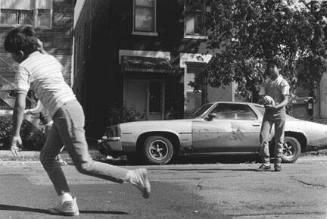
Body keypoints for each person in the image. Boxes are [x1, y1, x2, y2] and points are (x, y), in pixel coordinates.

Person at [5, 26, 150, 216]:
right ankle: (67, 203)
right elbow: (48, 77)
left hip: (65, 112)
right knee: (47, 157)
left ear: (21, 53)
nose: (12, 59)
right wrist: (40, 48)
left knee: (84, 164)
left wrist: (16, 134)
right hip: (67, 111)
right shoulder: (49, 59)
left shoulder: (24, 67)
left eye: (12, 55)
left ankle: (133, 176)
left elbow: (19, 105)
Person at [258, 61, 290, 172]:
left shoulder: (283, 83)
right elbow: (262, 97)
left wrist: (277, 107)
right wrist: (264, 102)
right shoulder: (265, 82)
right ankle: (266, 163)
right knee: (263, 136)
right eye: (269, 67)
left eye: (273, 67)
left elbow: (286, 100)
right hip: (268, 113)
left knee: (279, 138)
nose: (271, 69)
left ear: (278, 68)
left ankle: (278, 163)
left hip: (280, 112)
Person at [25, 99, 67, 166]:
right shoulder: (47, 99)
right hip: (50, 124)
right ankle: (57, 159)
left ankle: (56, 159)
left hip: (50, 124)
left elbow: (37, 110)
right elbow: (39, 111)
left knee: (55, 143)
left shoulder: (43, 99)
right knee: (55, 143)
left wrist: (28, 111)